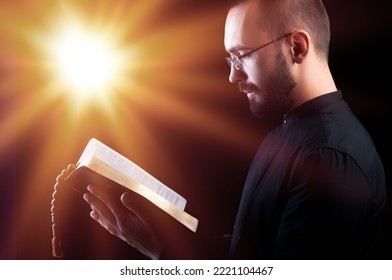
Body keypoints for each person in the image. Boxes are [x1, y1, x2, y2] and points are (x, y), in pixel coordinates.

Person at [56, 0, 386, 259]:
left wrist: (158, 249)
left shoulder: (327, 160)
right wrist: (162, 229)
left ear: (297, 47)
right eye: (230, 60)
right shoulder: (288, 132)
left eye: (241, 56)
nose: (233, 76)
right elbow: (251, 256)